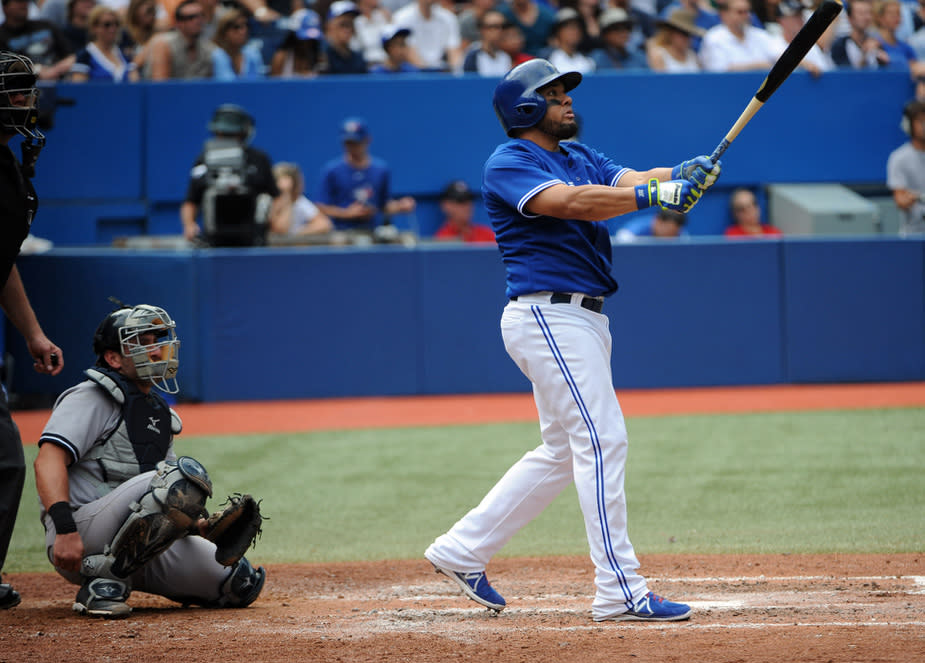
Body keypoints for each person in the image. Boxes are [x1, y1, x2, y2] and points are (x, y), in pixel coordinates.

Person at [423, 58, 721, 622]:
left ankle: (462, 550)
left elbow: (629, 181)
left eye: (565, 93)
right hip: (547, 316)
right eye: (554, 94)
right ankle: (620, 589)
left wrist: (679, 173)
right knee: (603, 440)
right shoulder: (510, 160)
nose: (567, 101)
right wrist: (661, 195)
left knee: (564, 450)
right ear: (526, 107)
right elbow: (573, 203)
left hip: (582, 320)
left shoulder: (579, 154)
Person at [33, 303, 266, 618]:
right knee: (180, 481)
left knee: (238, 582)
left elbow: (161, 505)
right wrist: (63, 528)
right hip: (78, 535)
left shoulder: (160, 414)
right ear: (113, 358)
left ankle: (114, 578)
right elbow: (47, 461)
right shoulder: (89, 397)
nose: (157, 350)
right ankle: (101, 586)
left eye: (159, 339)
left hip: (134, 544)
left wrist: (200, 526)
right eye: (143, 342)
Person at [0, 51, 64, 610]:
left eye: (26, 90)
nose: (24, 100)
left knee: (2, 460)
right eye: (14, 90)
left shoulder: (6, 163)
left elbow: (1, 263)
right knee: (2, 459)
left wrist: (33, 333)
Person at [181, 104, 280, 247]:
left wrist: (272, 220)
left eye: (233, 135)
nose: (227, 138)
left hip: (253, 239)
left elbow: (275, 196)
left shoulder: (259, 159)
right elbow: (190, 201)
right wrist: (189, 225)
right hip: (214, 241)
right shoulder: (203, 160)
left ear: (244, 134)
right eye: (222, 134)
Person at [316, 117, 415, 234]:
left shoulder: (381, 170)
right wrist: (347, 213)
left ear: (367, 140)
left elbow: (383, 205)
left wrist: (400, 206)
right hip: (342, 232)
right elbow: (319, 207)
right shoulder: (332, 170)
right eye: (348, 143)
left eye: (356, 143)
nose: (352, 148)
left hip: (374, 231)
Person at [0, 0, 75, 80]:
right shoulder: (2, 35)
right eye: (18, 2)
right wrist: (38, 70)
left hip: (59, 80)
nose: (24, 4)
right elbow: (8, 67)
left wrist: (54, 71)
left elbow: (71, 57)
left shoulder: (46, 25)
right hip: (24, 85)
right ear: (5, 8)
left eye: (25, 2)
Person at [143, 0, 215, 80]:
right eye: (191, 17)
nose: (198, 21)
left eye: (201, 16)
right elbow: (160, 87)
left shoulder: (209, 48)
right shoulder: (164, 44)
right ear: (178, 23)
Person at [699, 0, 779, 72]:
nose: (746, 16)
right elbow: (720, 70)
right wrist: (760, 65)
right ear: (724, 14)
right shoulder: (714, 38)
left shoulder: (760, 35)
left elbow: (780, 57)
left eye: (748, 11)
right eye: (740, 12)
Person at [886, 99, 925, 236]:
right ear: (909, 125)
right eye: (920, 121)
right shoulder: (899, 158)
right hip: (912, 234)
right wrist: (916, 198)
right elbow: (900, 200)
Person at [71, 5, 139, 82]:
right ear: (94, 28)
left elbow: (135, 85)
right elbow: (79, 90)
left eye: (116, 24)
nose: (113, 28)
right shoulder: (85, 56)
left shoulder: (125, 56)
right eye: (107, 24)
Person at [392, 0, 462, 71]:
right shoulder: (401, 18)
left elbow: (454, 53)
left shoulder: (449, 18)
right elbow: (409, 53)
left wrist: (455, 75)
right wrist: (427, 73)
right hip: (413, 73)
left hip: (442, 73)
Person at [269, 161, 334, 237]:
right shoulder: (269, 201)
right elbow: (281, 230)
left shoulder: (300, 201)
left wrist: (297, 235)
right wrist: (286, 195)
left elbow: (324, 224)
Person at [769, 0, 834, 75]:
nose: (800, 20)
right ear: (781, 20)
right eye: (794, 17)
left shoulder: (810, 47)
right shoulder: (772, 42)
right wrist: (804, 64)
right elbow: (777, 60)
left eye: (800, 15)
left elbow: (826, 73)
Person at [831, 0, 890, 68]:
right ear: (849, 18)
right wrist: (864, 54)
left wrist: (884, 61)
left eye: (869, 13)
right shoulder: (839, 46)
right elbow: (846, 74)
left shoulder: (876, 43)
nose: (867, 17)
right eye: (861, 13)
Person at [210, 7, 264, 79]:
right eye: (236, 27)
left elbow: (260, 84)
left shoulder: (253, 54)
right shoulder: (215, 56)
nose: (243, 31)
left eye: (246, 26)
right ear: (224, 32)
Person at [269, 8, 323, 77]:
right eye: (304, 39)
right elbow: (274, 85)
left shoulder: (320, 58)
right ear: (293, 36)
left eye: (311, 40)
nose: (307, 43)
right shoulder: (281, 58)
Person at [646, 8, 704, 72]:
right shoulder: (659, 55)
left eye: (689, 34)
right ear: (671, 33)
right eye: (683, 33)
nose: (687, 38)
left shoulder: (693, 56)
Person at [320, 0, 367, 74]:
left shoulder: (357, 58)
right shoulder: (321, 52)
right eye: (343, 24)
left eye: (351, 25)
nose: (348, 29)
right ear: (329, 25)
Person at [461, 9, 512, 75]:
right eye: (494, 26)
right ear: (482, 29)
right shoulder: (472, 54)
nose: (500, 30)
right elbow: (469, 82)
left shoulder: (505, 57)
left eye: (503, 26)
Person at [546, 7, 596, 73]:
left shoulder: (589, 61)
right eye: (569, 27)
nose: (574, 31)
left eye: (577, 27)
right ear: (558, 32)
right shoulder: (548, 59)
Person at [613, 208, 689, 242]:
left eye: (673, 233)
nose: (668, 237)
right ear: (657, 221)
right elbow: (622, 238)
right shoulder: (636, 229)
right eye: (667, 231)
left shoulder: (681, 235)